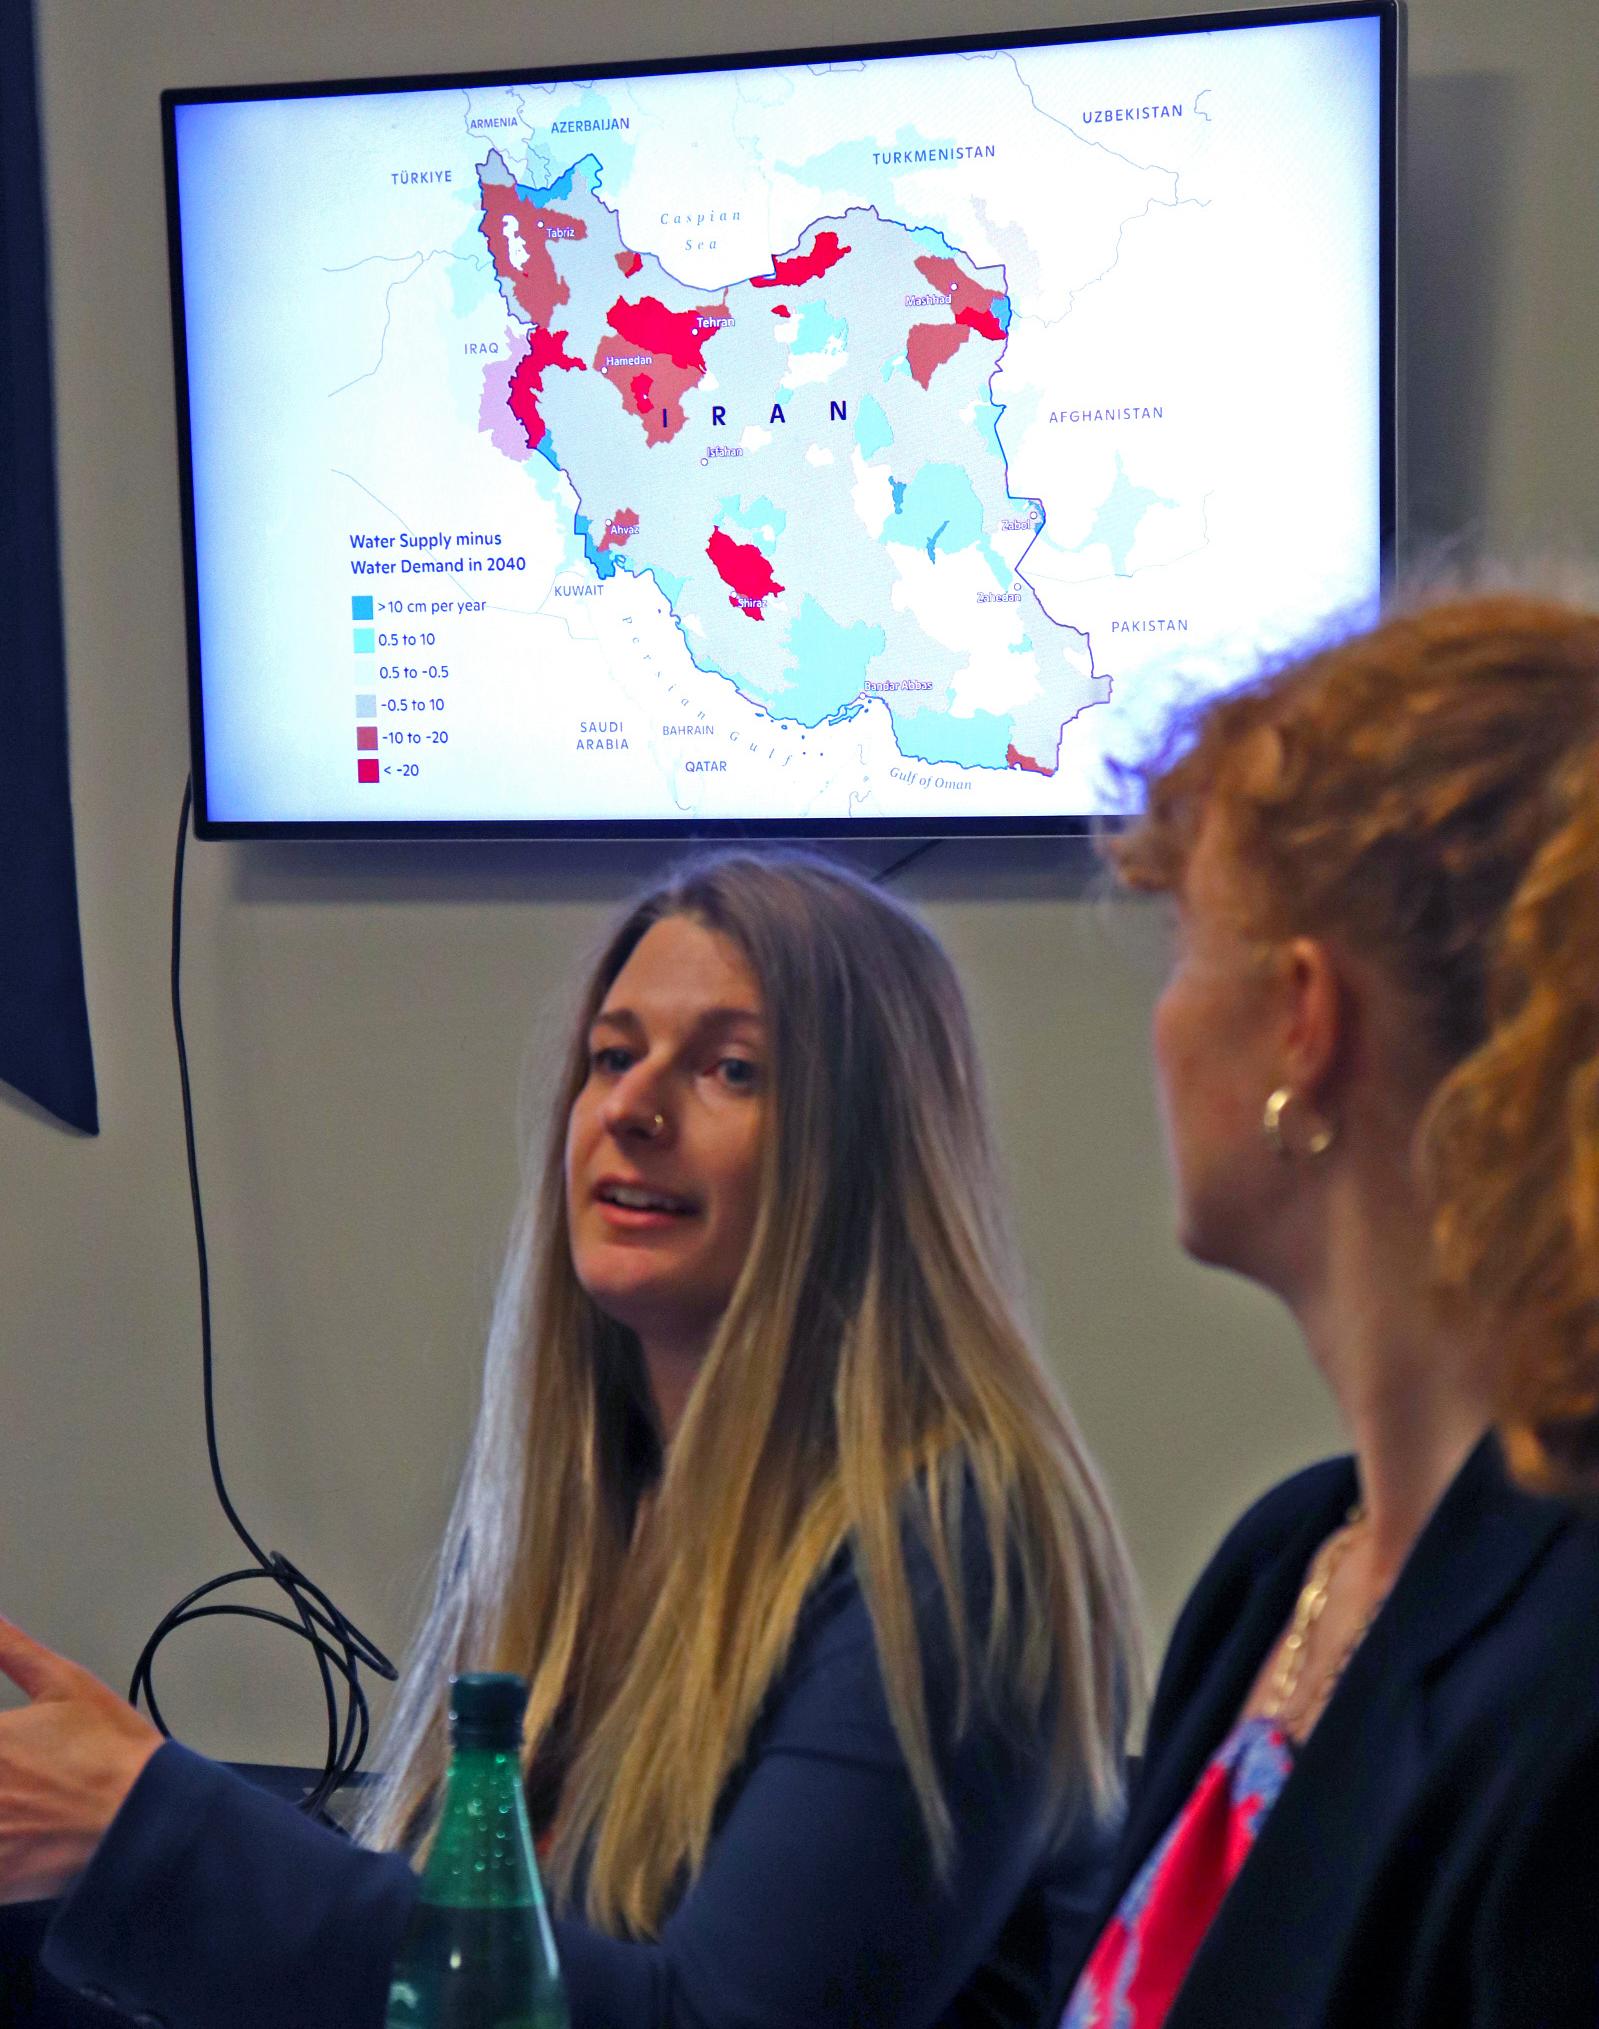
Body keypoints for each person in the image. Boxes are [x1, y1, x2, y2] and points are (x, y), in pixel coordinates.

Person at [0, 850, 1140, 2029]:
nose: (633, 1107)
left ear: (864, 1148)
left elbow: (712, 2021)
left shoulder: (957, 1543)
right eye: (613, 1054)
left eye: (730, 1068)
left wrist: (146, 1829)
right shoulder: (583, 1513)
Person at [1058, 588, 1599, 2029]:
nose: (1161, 1020)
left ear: (1304, 1018)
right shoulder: (1276, 1568)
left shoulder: (1571, 1669)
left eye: (1184, 950)